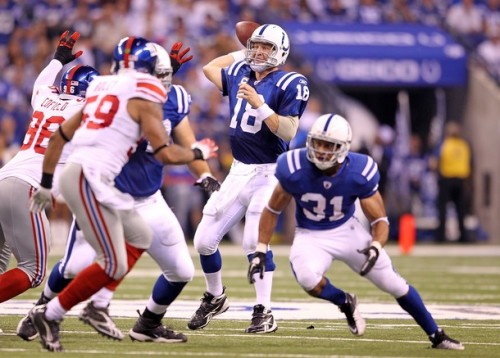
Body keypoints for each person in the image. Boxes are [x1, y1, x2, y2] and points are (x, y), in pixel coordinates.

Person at [17, 42, 220, 344]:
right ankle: (51, 310)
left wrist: (203, 172)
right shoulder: (128, 98)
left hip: (142, 196)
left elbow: (61, 135)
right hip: (102, 187)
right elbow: (164, 150)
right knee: (78, 266)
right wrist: (197, 152)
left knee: (176, 267)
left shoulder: (113, 90)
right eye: (156, 74)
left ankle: (139, 322)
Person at [247, 113, 464, 350]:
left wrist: (375, 246)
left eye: (328, 145)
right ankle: (345, 302)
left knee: (394, 284)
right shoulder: (293, 166)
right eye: (318, 143)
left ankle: (436, 334)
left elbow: (380, 219)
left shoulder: (360, 170)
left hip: (347, 231)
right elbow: (272, 209)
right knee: (308, 277)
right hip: (310, 234)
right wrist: (260, 249)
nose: (321, 150)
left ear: (343, 148)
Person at [188, 23, 309, 334]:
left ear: (280, 51)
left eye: (265, 47)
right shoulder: (241, 72)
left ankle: (264, 311)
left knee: (253, 242)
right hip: (239, 170)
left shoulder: (290, 82)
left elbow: (289, 131)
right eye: (255, 45)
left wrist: (261, 104)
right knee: (203, 241)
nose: (258, 52)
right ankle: (215, 297)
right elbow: (209, 67)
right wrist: (244, 51)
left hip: (270, 172)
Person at [0, 30, 99, 303]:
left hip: (5, 176)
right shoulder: (88, 112)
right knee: (34, 271)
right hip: (27, 186)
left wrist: (58, 58)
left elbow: (43, 80)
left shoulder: (44, 95)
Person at [429, 121, 472, 243]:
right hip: (461, 180)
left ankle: (440, 237)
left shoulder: (444, 144)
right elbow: (470, 164)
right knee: (461, 210)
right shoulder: (464, 145)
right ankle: (463, 237)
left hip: (446, 180)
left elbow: (433, 163)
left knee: (442, 209)